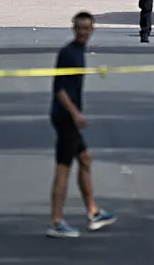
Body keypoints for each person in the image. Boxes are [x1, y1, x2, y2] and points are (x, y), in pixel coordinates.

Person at [47, 12, 116, 237]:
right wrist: (75, 114)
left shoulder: (79, 52)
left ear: (93, 29)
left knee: (85, 159)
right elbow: (60, 90)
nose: (83, 32)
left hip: (68, 118)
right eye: (80, 28)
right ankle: (57, 222)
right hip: (64, 117)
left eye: (87, 28)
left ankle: (93, 212)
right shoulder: (67, 53)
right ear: (73, 29)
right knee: (63, 169)